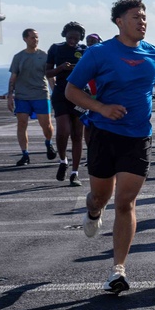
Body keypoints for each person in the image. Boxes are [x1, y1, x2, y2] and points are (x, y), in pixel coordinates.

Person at [64, 0, 155, 294]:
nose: (142, 21)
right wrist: (101, 108)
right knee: (100, 197)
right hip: (104, 133)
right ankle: (93, 211)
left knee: (126, 202)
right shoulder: (99, 53)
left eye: (144, 17)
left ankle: (118, 270)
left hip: (138, 136)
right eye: (136, 17)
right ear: (120, 21)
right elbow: (71, 90)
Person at [46, 22, 88, 187]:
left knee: (77, 135)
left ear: (80, 38)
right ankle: (63, 160)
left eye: (76, 38)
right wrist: (61, 68)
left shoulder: (85, 50)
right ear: (65, 35)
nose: (72, 40)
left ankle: (75, 173)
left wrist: (77, 68)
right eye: (70, 37)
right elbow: (47, 72)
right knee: (63, 131)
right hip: (61, 94)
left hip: (80, 95)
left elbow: (92, 70)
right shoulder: (56, 48)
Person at [8, 28, 56, 165]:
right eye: (32, 37)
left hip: (40, 94)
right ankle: (25, 154)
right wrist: (10, 96)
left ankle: (48, 142)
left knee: (46, 125)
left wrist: (56, 93)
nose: (35, 40)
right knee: (21, 124)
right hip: (22, 96)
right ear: (25, 39)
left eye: (36, 37)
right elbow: (13, 78)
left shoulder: (44, 56)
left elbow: (50, 77)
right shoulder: (19, 57)